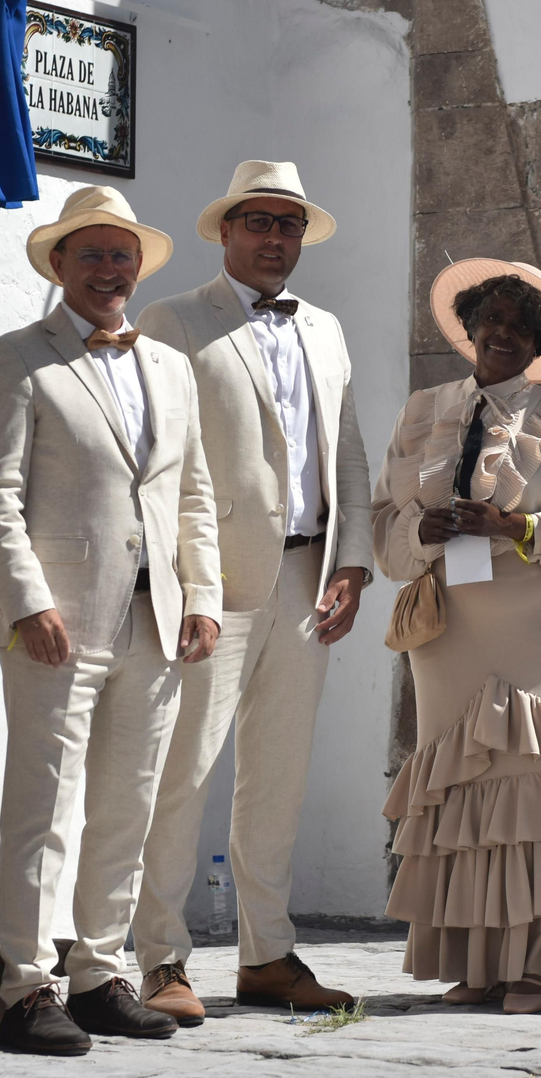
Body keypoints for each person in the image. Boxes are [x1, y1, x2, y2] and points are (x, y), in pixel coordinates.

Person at [0, 185, 223, 1055]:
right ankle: (27, 986)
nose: (111, 271)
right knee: (42, 803)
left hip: (156, 617)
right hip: (58, 622)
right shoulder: (15, 359)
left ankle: (102, 971)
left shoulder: (170, 367)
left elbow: (193, 495)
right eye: (93, 255)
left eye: (123, 256)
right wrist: (28, 600)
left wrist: (205, 598)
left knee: (128, 803)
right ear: (58, 265)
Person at [131, 161, 373, 1021]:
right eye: (260, 222)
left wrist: (353, 560)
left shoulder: (328, 329)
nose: (275, 238)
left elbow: (346, 448)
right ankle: (160, 955)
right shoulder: (173, 320)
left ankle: (268, 954)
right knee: (184, 770)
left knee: (278, 778)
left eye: (290, 225)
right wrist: (180, 580)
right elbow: (157, 465)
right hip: (215, 582)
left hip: (309, 579)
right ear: (227, 230)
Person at [372, 259, 541, 1015]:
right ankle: (475, 961)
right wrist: (424, 525)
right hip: (449, 623)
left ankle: (536, 961)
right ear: (470, 330)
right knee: (458, 779)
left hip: (533, 614)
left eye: (522, 326)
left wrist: (514, 525)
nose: (504, 334)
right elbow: (382, 524)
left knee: (534, 775)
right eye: (493, 321)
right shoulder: (421, 412)